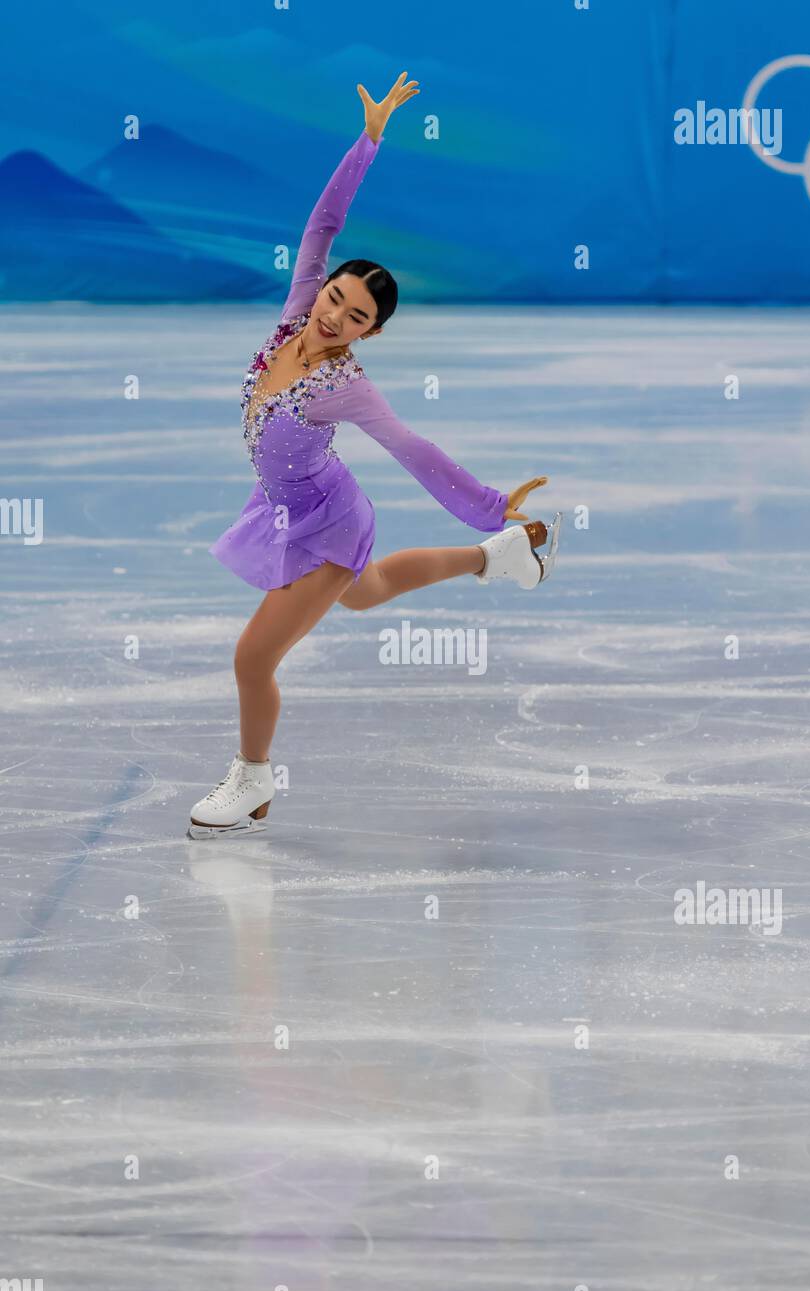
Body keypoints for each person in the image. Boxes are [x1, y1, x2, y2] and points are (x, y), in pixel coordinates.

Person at [189, 72, 560, 839]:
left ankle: (253, 782)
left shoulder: (346, 385)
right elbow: (323, 225)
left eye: (355, 317)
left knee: (252, 658)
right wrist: (369, 141)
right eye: (335, 299)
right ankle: (499, 556)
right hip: (291, 505)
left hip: (327, 518)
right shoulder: (298, 309)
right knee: (369, 590)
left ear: (369, 333)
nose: (334, 316)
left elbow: (414, 449)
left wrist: (492, 497)